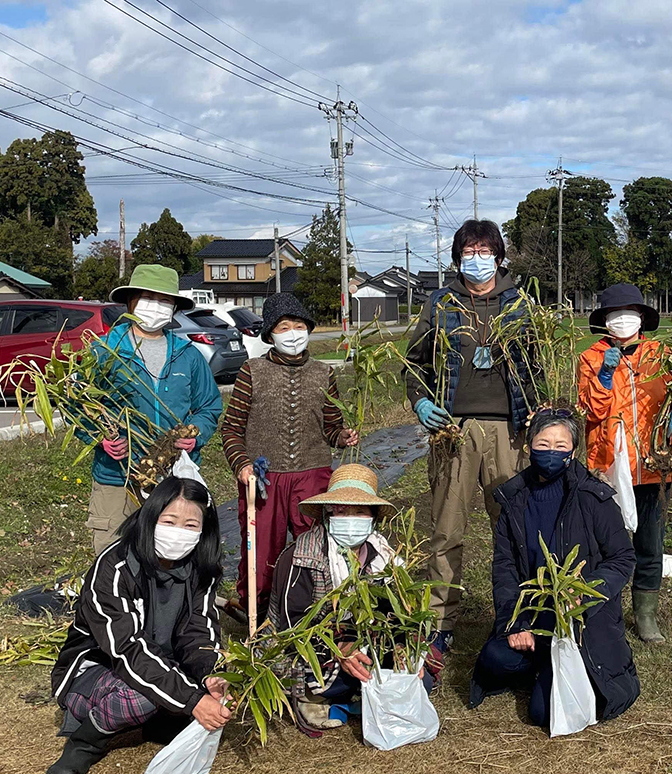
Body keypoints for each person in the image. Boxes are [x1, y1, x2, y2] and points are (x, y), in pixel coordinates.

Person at [405, 219, 535, 666]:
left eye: (485, 251)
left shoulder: (520, 303)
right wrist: (422, 403)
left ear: (499, 257)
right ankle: (439, 626)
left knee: (514, 527)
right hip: (453, 429)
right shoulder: (440, 304)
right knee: (446, 529)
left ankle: (516, 617)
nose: (476, 259)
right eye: (468, 251)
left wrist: (540, 417)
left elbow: (539, 363)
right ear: (457, 257)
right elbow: (413, 363)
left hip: (510, 431)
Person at [46, 477, 227, 774]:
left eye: (190, 525)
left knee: (204, 686)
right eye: (169, 521)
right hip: (100, 668)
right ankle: (83, 744)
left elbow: (199, 631)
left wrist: (211, 674)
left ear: (203, 529)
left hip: (161, 663)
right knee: (143, 694)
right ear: (150, 517)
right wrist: (193, 700)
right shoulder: (114, 569)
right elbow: (128, 651)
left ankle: (161, 720)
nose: (178, 533)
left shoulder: (201, 567)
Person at [469, 409, 640, 729]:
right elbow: (505, 567)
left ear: (573, 451)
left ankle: (563, 666)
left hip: (579, 621)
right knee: (494, 658)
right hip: (534, 617)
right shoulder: (514, 499)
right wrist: (513, 620)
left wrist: (586, 590)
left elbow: (622, 558)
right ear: (529, 446)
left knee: (541, 714)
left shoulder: (594, 497)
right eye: (543, 443)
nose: (551, 452)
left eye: (561, 446)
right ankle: (540, 662)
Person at [219, 293, 357, 617]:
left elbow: (331, 427)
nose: (292, 333)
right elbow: (231, 430)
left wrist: (343, 436)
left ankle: (311, 610)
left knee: (315, 546)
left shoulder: (324, 373)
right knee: (261, 550)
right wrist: (241, 464)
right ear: (270, 334)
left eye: (299, 325)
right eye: (284, 326)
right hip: (264, 478)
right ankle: (256, 610)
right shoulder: (251, 371)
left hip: (313, 475)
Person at [577, 283, 672, 644]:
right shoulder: (591, 358)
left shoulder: (662, 353)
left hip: (653, 462)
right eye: (615, 314)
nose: (623, 320)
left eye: (630, 313)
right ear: (605, 320)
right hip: (608, 463)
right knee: (604, 544)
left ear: (642, 317)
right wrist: (606, 376)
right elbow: (591, 410)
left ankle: (645, 616)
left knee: (650, 542)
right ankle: (600, 612)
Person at [81, 264, 222, 553]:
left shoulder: (188, 355)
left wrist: (197, 435)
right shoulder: (105, 351)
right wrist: (100, 438)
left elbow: (208, 406)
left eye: (164, 301)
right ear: (131, 302)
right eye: (148, 298)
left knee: (169, 550)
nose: (155, 307)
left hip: (173, 477)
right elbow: (80, 406)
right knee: (113, 552)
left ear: (173, 308)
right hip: (117, 475)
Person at [267, 464, 415, 733]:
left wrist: (405, 648)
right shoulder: (301, 556)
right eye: (341, 510)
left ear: (372, 518)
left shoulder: (383, 557)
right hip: (313, 647)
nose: (349, 517)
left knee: (413, 679)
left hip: (362, 642)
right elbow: (293, 626)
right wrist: (340, 648)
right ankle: (312, 695)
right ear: (328, 513)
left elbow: (396, 614)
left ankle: (351, 693)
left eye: (358, 511)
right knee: (338, 678)